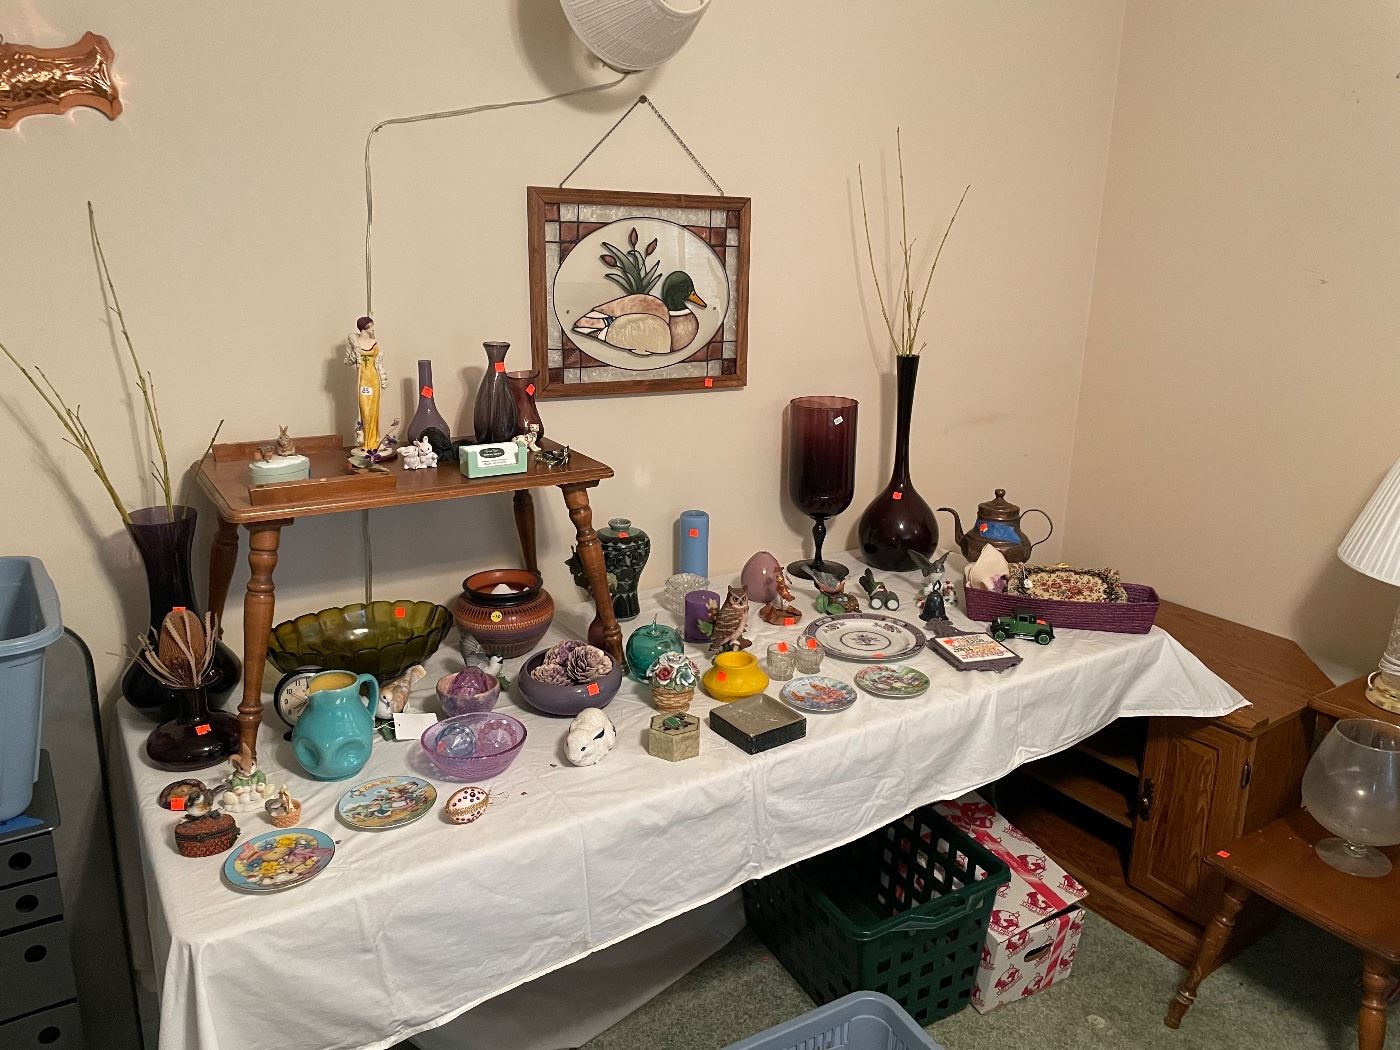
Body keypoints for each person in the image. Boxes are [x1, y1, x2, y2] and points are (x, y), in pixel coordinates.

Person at [344, 316, 388, 450]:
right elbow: (347, 361)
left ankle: (374, 441)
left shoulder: (374, 342)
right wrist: (355, 352)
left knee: (374, 411)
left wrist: (383, 378)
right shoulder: (355, 343)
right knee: (365, 411)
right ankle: (365, 441)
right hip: (363, 381)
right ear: (365, 327)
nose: (373, 329)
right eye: (371, 326)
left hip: (374, 380)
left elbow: (378, 362)